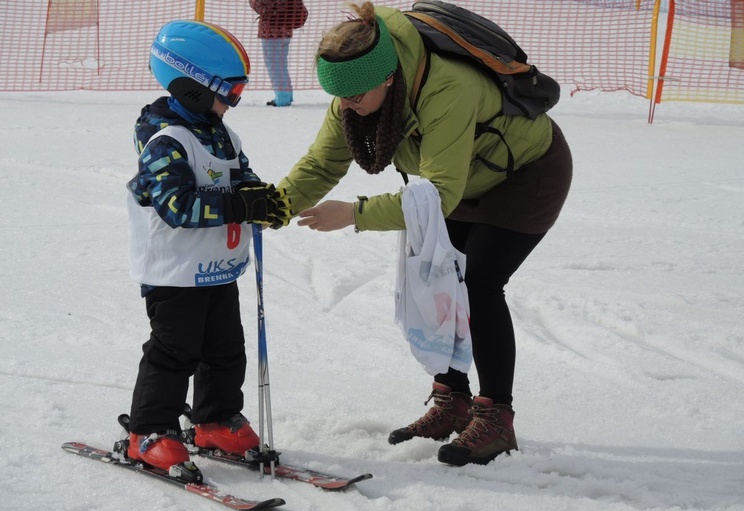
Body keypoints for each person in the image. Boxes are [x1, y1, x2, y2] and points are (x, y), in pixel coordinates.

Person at [274, 2, 572, 467]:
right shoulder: (356, 89)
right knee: (439, 278)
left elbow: (441, 194)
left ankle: (496, 418)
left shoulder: (447, 88)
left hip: (524, 175)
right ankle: (453, 400)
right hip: (460, 178)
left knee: (478, 284)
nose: (346, 105)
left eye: (354, 96)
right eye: (339, 97)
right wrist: (275, 204)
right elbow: (323, 162)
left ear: (388, 77)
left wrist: (354, 212)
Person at [124, 19, 290, 479]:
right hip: (174, 274)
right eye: (228, 92)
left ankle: (214, 420)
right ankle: (149, 431)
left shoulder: (222, 135)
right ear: (193, 87)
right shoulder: (164, 142)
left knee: (225, 349)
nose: (233, 102)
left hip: (217, 268)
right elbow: (177, 206)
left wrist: (262, 199)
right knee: (174, 352)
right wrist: (239, 203)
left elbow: (243, 179)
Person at [249, 0, 308, 107]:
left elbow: (260, 7)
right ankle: (286, 95)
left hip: (271, 32)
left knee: (274, 66)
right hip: (286, 31)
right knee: (281, 65)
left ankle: (282, 98)